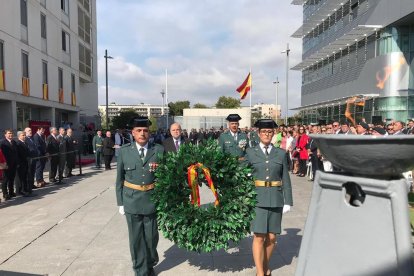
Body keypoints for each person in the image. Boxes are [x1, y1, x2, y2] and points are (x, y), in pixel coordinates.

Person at [244, 119, 293, 276]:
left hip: (276, 197)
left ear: (273, 134)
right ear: (258, 134)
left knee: (271, 238)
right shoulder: (251, 152)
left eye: (269, 132)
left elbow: (285, 177)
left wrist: (288, 201)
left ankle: (265, 265)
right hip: (257, 198)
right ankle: (260, 272)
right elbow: (241, 172)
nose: (266, 134)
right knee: (259, 236)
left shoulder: (280, 153)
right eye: (264, 132)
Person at [116, 117, 164, 276]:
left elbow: (165, 177)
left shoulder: (158, 150)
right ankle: (140, 271)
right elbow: (119, 179)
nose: (142, 133)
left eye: (145, 130)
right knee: (136, 240)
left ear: (149, 133)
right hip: (132, 201)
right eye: (139, 130)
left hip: (152, 200)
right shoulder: (124, 151)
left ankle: (150, 263)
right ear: (133, 133)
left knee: (151, 239)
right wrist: (120, 203)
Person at [1, 129, 18, 200]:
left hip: (13, 164)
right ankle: (5, 194)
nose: (10, 134)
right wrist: (4, 164)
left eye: (11, 133)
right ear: (5, 135)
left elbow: (16, 153)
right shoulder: (2, 143)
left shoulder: (14, 142)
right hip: (6, 164)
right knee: (5, 180)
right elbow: (2, 155)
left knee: (12, 179)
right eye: (9, 133)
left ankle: (11, 192)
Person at [16, 131, 30, 196]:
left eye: (24, 135)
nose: (24, 136)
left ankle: (25, 188)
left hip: (25, 162)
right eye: (22, 135)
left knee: (25, 176)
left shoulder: (25, 143)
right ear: (19, 136)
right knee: (20, 177)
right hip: (21, 163)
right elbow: (19, 154)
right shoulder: (18, 143)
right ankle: (19, 190)